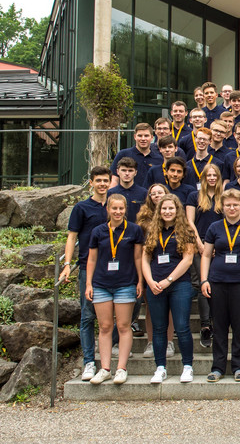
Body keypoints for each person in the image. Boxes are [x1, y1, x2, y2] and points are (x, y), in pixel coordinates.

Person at [200, 189, 240, 382]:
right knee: (219, 326)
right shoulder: (215, 227)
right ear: (222, 207)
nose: (232, 208)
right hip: (217, 281)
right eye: (228, 205)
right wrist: (204, 280)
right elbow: (206, 255)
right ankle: (217, 367)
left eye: (235, 204)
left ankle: (239, 366)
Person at [85, 194, 144, 385]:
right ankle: (105, 368)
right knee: (104, 327)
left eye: (121, 209)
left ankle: (121, 368)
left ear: (126, 210)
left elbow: (138, 258)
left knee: (124, 326)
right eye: (114, 208)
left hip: (125, 283)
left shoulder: (134, 230)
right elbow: (91, 259)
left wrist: (140, 281)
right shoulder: (98, 231)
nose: (118, 212)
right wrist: (88, 284)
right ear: (108, 209)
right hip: (101, 284)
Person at [60, 166, 110, 382]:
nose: (102, 184)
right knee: (88, 315)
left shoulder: (115, 205)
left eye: (105, 180)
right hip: (86, 267)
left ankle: (109, 353)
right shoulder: (81, 207)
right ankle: (89, 361)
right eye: (98, 180)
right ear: (91, 182)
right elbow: (72, 237)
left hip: (114, 267)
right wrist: (67, 264)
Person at [141, 194, 196, 384]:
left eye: (171, 208)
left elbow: (188, 259)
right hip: (155, 286)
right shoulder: (152, 231)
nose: (167, 211)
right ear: (159, 210)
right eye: (164, 208)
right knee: (158, 329)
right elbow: (145, 259)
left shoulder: (185, 230)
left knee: (182, 327)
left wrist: (168, 280)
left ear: (177, 210)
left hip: (179, 284)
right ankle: (160, 368)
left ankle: (187, 366)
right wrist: (150, 281)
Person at [185, 163, 224, 349]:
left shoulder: (223, 197)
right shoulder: (194, 196)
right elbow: (189, 222)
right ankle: (205, 325)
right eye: (208, 175)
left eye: (214, 175)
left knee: (217, 284)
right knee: (202, 283)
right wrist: (201, 245)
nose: (211, 178)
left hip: (220, 246)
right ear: (203, 177)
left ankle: (217, 322)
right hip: (199, 243)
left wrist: (218, 244)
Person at [110, 123, 164, 188]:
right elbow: (114, 179)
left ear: (152, 138)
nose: (143, 139)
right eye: (140, 136)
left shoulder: (159, 159)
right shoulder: (123, 154)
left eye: (146, 136)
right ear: (135, 137)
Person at [108, 157, 147, 223]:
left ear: (135, 173)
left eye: (130, 171)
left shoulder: (144, 193)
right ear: (117, 172)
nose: (127, 173)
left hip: (138, 231)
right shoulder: (110, 193)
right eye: (123, 170)